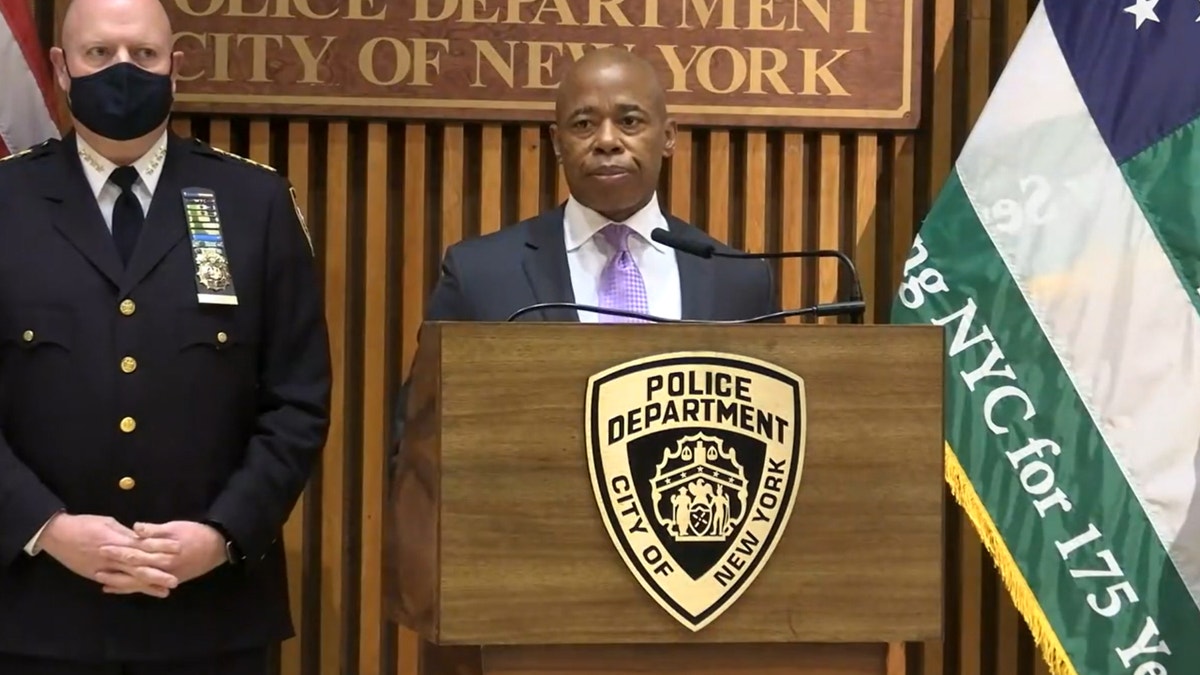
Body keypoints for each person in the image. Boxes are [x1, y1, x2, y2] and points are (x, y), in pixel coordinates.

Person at [0, 0, 331, 673]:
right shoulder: (7, 201)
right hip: (36, 609)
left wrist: (223, 532)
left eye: (143, 55)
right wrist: (47, 527)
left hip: (211, 611)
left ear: (175, 68)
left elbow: (298, 398)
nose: (123, 70)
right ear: (61, 69)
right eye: (99, 54)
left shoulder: (254, 202)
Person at [389, 47, 780, 449]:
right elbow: (418, 446)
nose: (607, 141)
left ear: (668, 137)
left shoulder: (738, 280)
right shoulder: (480, 275)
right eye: (583, 124)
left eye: (629, 121)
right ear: (557, 143)